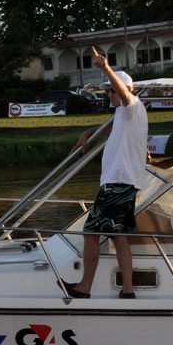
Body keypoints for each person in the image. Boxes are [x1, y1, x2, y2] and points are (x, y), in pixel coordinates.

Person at [66, 48, 148, 299]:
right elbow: (113, 125)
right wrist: (88, 133)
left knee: (90, 232)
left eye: (111, 90)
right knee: (118, 235)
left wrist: (105, 67)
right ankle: (128, 290)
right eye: (107, 91)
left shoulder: (131, 104)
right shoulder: (125, 112)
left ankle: (85, 287)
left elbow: (124, 94)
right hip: (122, 181)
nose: (109, 94)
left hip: (118, 182)